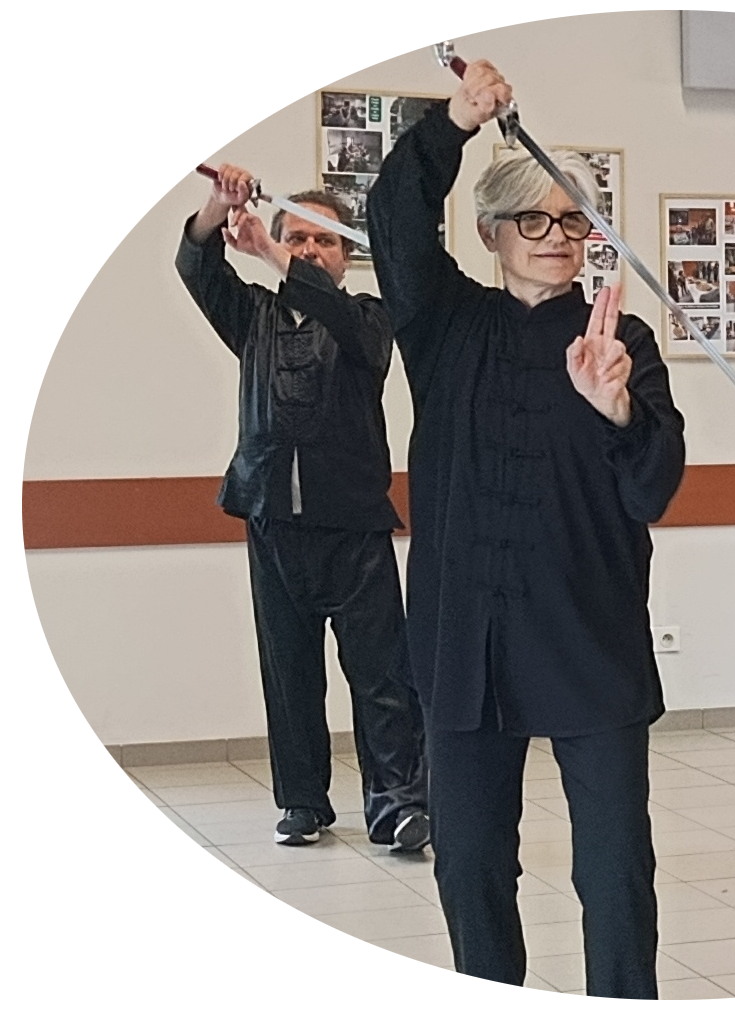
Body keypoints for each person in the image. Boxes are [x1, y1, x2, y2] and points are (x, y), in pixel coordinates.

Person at [367, 60, 685, 999]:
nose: (557, 239)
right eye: (533, 221)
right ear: (490, 232)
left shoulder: (622, 342)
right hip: (465, 642)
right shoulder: (443, 324)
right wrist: (453, 122)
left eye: (573, 222)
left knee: (616, 874)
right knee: (469, 866)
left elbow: (655, 489)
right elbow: (393, 218)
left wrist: (619, 411)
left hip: (589, 639)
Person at [175, 166, 430, 852]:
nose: (311, 250)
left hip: (354, 525)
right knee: (289, 674)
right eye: (297, 238)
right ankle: (302, 802)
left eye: (325, 241)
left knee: (382, 676)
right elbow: (196, 264)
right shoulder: (253, 317)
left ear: (346, 257)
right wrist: (218, 205)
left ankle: (399, 804)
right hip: (271, 521)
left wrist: (269, 251)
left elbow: (350, 328)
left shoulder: (367, 318)